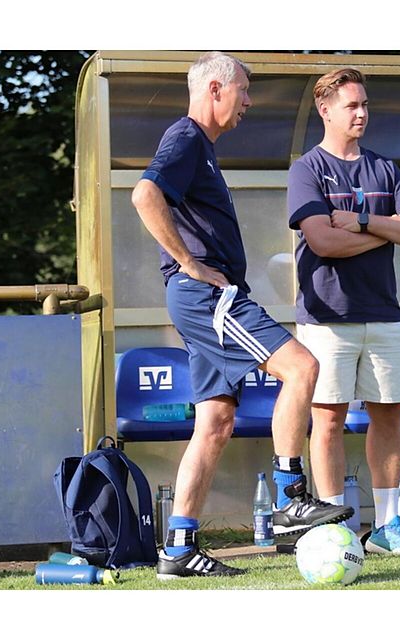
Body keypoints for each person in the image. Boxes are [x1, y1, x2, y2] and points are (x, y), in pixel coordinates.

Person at [132, 52, 352, 579]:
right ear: (215, 89)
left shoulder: (198, 146)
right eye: (244, 91)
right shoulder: (186, 137)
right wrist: (189, 264)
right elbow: (145, 195)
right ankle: (291, 497)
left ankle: (178, 548)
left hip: (203, 298)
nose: (249, 101)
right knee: (302, 368)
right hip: (207, 296)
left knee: (214, 421)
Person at [286, 68, 400, 555]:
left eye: (365, 104)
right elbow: (321, 240)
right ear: (325, 110)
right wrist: (387, 230)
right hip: (326, 318)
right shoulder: (307, 168)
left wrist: (365, 220)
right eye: (352, 105)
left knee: (388, 417)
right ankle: (332, 527)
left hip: (384, 314)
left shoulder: (384, 168)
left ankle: (389, 528)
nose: (362, 113)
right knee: (326, 421)